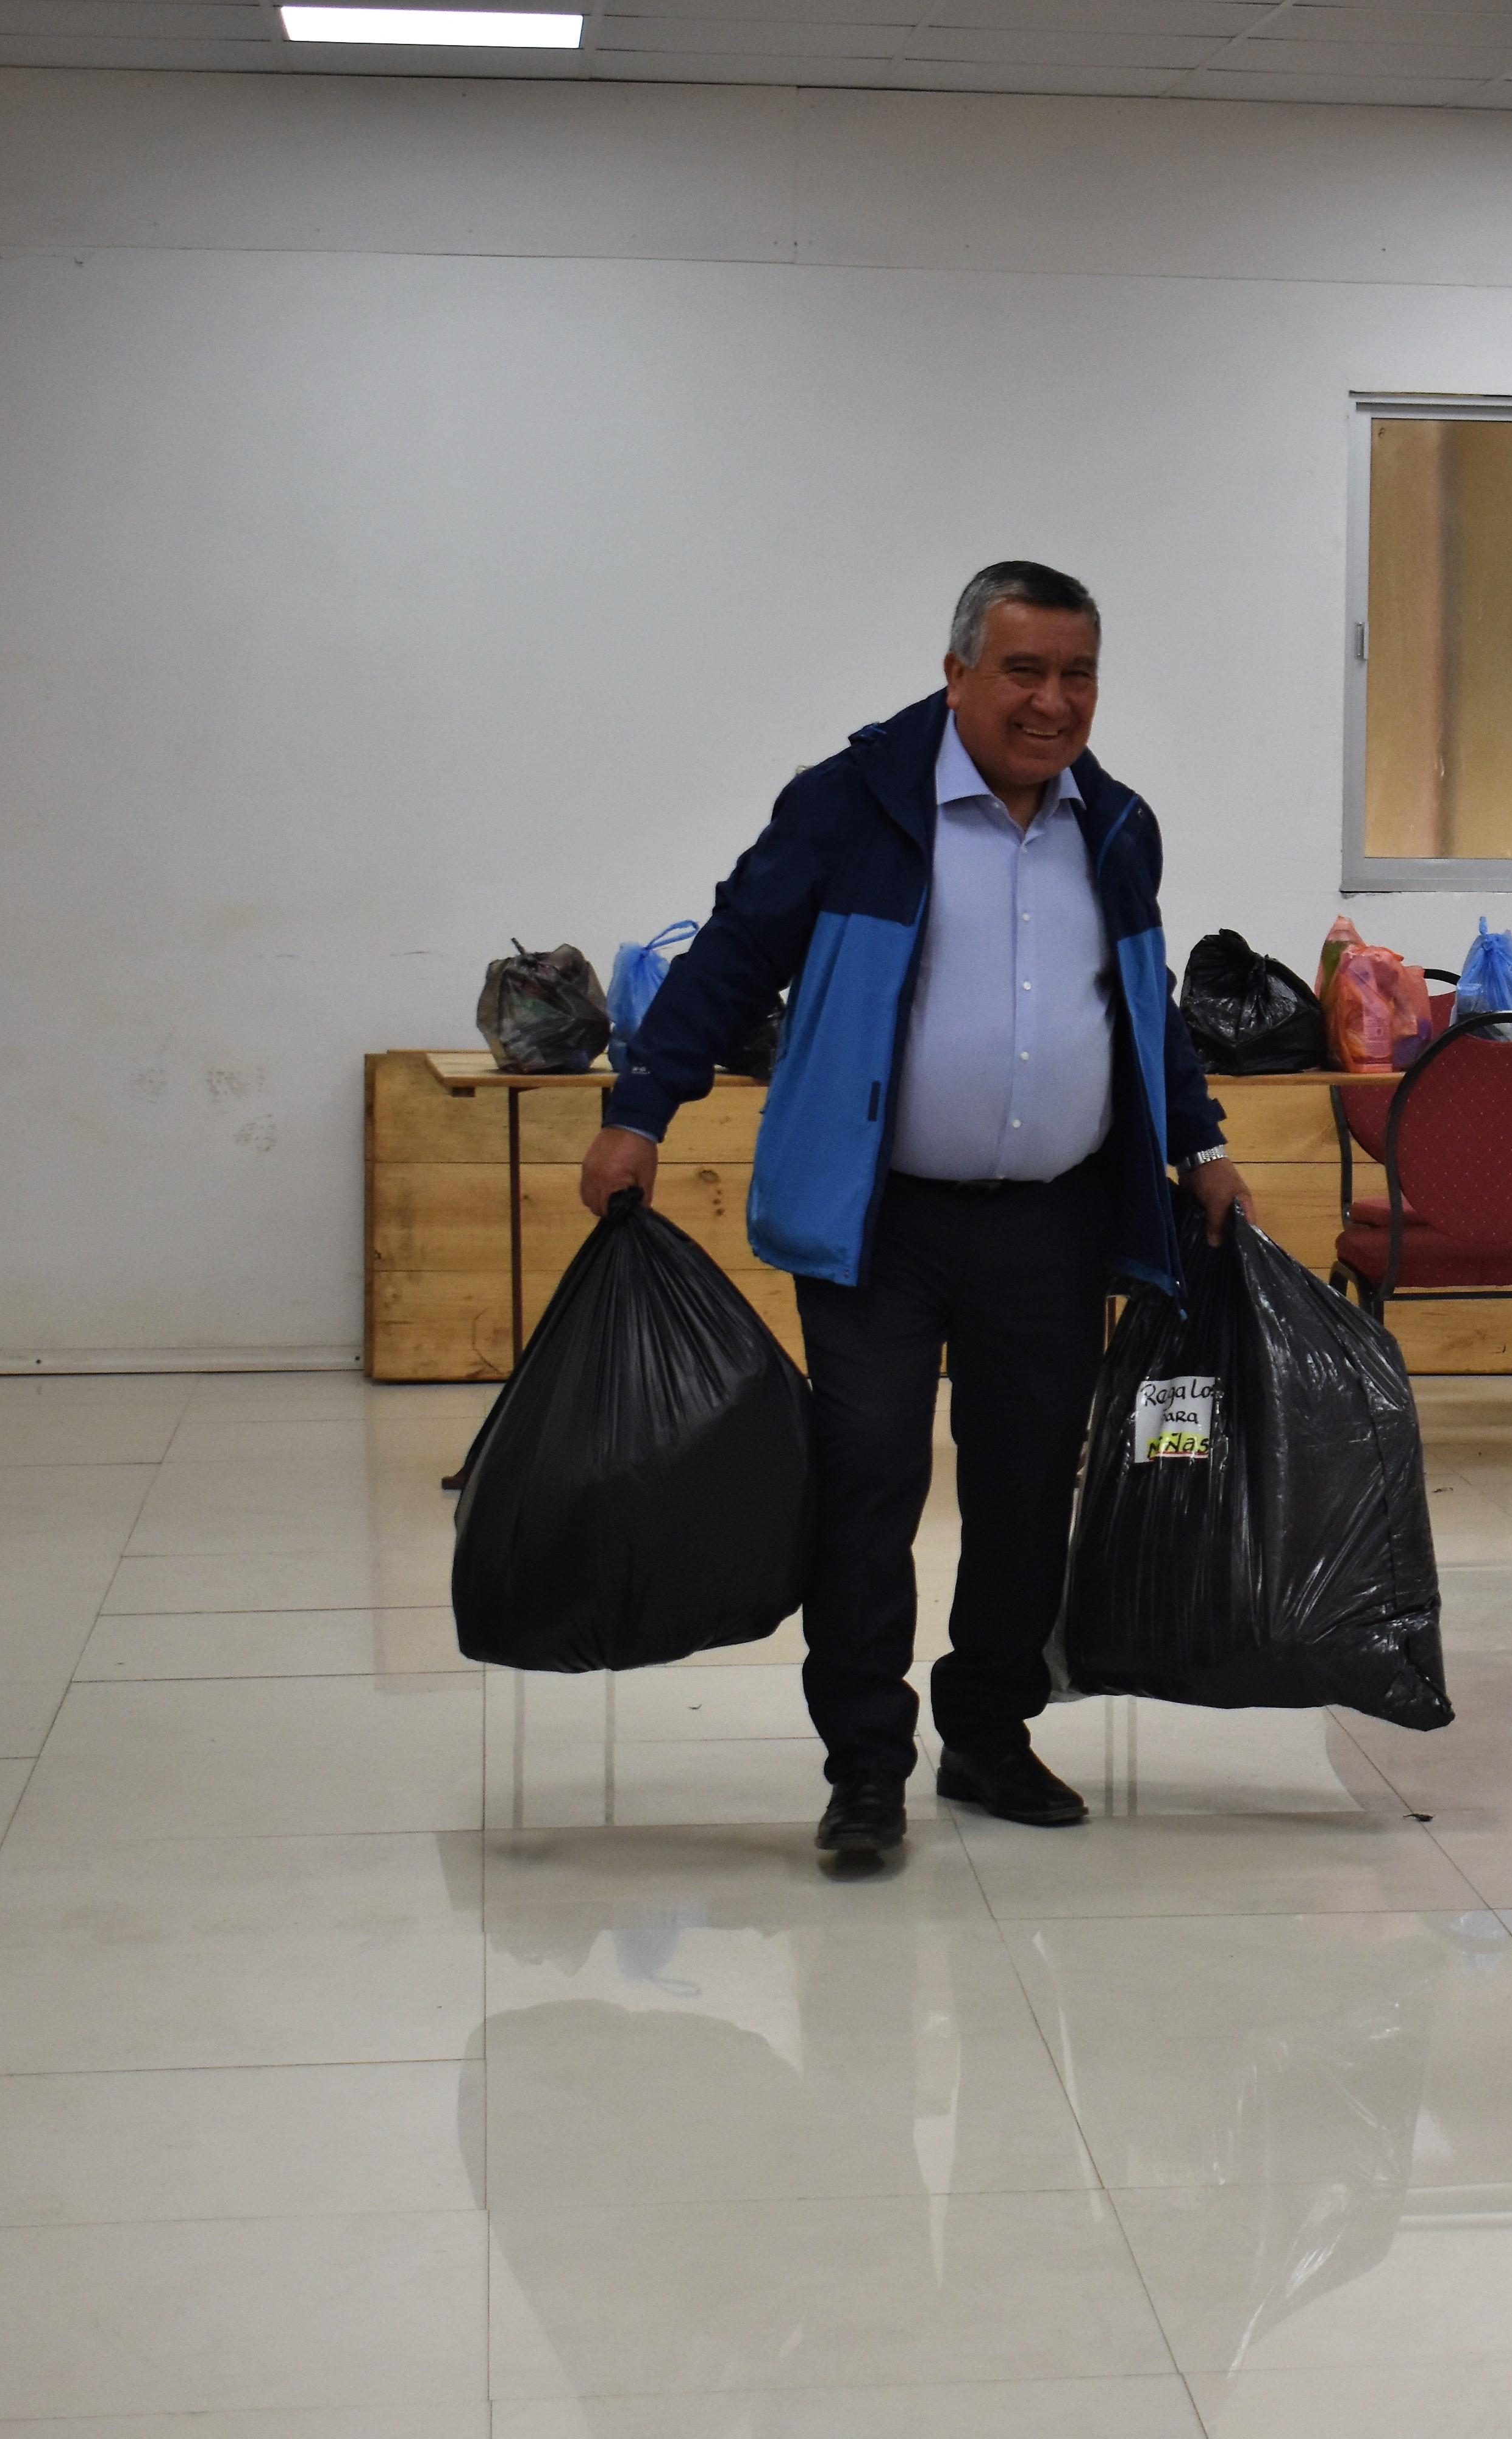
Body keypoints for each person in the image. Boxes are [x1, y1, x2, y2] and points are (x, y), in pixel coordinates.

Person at [582, 560, 1252, 1860]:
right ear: (957, 674)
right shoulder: (854, 804)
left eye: (1077, 674)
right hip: (876, 1219)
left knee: (1023, 1486)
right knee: (868, 1481)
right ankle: (865, 1766)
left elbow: (1143, 996)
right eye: (1023, 670)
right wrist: (641, 1109)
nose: (1052, 701)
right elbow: (733, 957)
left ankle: (989, 1733)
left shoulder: (1115, 824)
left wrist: (1203, 1142)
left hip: (1052, 1221)